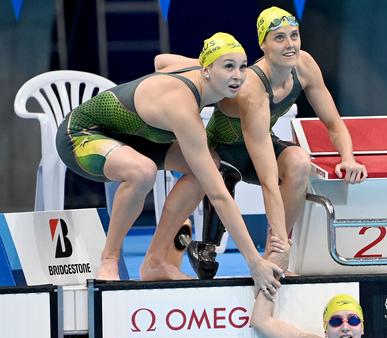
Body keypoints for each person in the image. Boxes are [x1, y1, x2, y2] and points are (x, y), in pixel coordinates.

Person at [56, 33, 283, 296]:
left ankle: (156, 261)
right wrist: (254, 262)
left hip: (138, 137)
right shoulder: (183, 109)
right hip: (82, 135)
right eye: (228, 67)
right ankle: (109, 259)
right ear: (207, 70)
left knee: (208, 163)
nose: (238, 76)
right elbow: (219, 195)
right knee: (142, 172)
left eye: (242, 66)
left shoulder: (199, 70)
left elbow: (161, 60)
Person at [156, 7, 367, 273]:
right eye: (279, 38)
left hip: (260, 144)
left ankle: (272, 255)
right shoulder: (251, 88)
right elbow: (161, 61)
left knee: (299, 162)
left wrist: (348, 158)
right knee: (209, 253)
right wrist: (206, 66)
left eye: (294, 35)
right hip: (223, 151)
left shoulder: (304, 65)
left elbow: (334, 123)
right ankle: (225, 247)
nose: (290, 45)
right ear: (263, 44)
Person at [251, 292, 387, 338]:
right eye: (336, 321)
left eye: (353, 320)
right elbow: (261, 321)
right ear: (325, 330)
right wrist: (274, 269)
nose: (345, 328)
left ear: (362, 327)